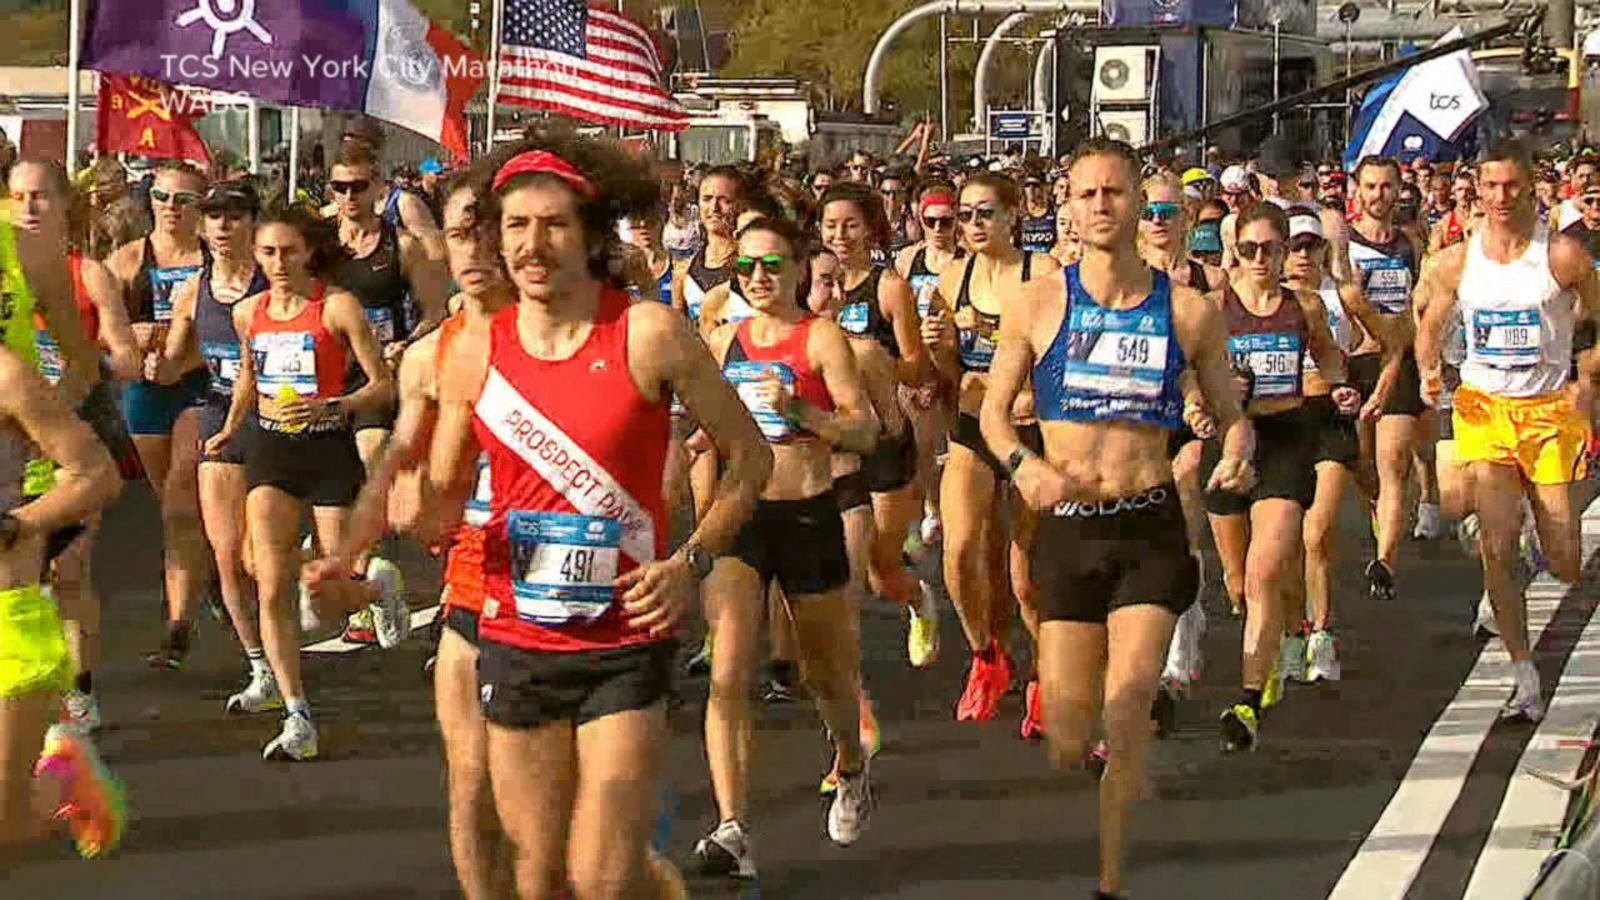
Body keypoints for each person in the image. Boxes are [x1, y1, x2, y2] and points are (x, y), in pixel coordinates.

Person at [426, 129, 771, 899]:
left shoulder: (648, 334)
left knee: (600, 879)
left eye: (551, 224)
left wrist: (691, 562)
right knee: (541, 874)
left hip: (626, 639)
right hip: (516, 638)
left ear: (588, 234)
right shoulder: (474, 350)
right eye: (515, 225)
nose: (531, 243)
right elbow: (441, 498)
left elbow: (752, 459)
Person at [981, 137, 1256, 900]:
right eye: (1087, 194)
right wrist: (1023, 466)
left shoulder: (1188, 310)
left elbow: (1233, 416)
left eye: (1116, 192)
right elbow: (994, 418)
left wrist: (1234, 452)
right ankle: (1119, 771)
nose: (1101, 206)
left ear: (1141, 205)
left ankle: (1111, 882)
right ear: (1066, 208)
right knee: (1070, 738)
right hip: (1068, 529)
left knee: (1129, 702)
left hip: (1149, 525)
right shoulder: (1039, 303)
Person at [305, 171, 517, 898]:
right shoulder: (431, 356)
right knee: (469, 781)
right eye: (463, 234)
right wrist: (348, 556)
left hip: (581, 605)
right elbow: (400, 464)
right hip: (475, 584)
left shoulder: (596, 334)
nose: (479, 249)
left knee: (577, 824)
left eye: (496, 231)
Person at [693, 215, 880, 876]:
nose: (758, 278)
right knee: (728, 670)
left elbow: (866, 432)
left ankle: (852, 766)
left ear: (798, 269)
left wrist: (805, 414)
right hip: (743, 516)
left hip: (807, 514)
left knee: (826, 674)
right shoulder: (724, 340)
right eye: (746, 267)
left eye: (772, 266)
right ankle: (732, 826)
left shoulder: (821, 338)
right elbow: (702, 427)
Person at [204, 208, 400, 760]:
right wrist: (228, 431)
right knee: (270, 582)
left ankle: (374, 590)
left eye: (288, 252)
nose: (278, 264)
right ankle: (296, 714)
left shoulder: (336, 307)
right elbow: (248, 375)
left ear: (309, 251)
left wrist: (336, 406)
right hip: (272, 450)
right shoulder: (249, 312)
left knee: (331, 590)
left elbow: (381, 385)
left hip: (328, 447)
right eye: (267, 253)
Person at [1416, 139, 1600, 723]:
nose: (1500, 197)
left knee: (1565, 557)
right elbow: (1431, 322)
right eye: (1490, 186)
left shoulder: (1563, 258)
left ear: (1529, 187)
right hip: (1484, 410)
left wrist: (1587, 379)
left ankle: (1528, 531)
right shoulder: (1455, 261)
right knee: (1496, 546)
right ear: (1477, 187)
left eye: (1512, 186)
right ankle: (1523, 673)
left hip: (1547, 414)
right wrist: (1427, 369)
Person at [1197, 203, 1361, 750]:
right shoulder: (1212, 307)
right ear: (1236, 251)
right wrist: (1205, 402)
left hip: (1288, 439)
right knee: (1238, 583)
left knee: (1265, 569)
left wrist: (1338, 387)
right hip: (1229, 444)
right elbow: (1185, 373)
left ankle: (1246, 699)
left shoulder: (1305, 307)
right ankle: (1270, 648)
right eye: (1250, 249)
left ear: (1287, 249)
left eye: (1272, 249)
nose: (1262, 260)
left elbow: (1331, 359)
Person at [0, 211, 125, 860]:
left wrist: (21, 521)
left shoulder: (8, 377)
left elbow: (100, 476)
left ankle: (62, 780)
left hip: (8, 619)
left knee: (8, 826)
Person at [6, 159, 141, 734]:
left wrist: (45, 402)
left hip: (53, 437)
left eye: (40, 195)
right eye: (19, 195)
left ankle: (72, 695)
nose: (30, 206)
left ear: (65, 202)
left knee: (64, 572)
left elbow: (95, 355)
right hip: (25, 418)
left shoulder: (72, 268)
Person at [924, 172, 1060, 729]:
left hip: (1031, 431)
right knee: (957, 553)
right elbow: (946, 375)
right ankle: (985, 656)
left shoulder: (1045, 274)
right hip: (974, 424)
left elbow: (1066, 354)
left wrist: (1034, 392)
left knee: (1026, 572)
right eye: (965, 215)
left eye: (985, 213)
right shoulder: (952, 277)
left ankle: (1045, 678)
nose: (973, 225)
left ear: (1012, 217)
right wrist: (938, 353)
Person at [156, 182, 271, 710]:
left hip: (277, 419)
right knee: (226, 554)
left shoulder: (276, 280)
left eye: (235, 216)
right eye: (215, 217)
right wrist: (152, 360)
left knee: (261, 556)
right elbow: (175, 362)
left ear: (253, 223)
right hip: (219, 412)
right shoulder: (192, 289)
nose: (224, 227)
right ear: (203, 227)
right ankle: (260, 666)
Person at [819, 182, 937, 668]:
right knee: (835, 564)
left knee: (880, 569)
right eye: (830, 225)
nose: (840, 235)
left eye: (850, 224)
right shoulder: (812, 281)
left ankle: (918, 600)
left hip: (887, 437)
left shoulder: (887, 286)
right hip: (835, 439)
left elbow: (918, 366)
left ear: (870, 227)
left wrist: (876, 361)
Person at [104, 161, 214, 667]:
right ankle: (204, 576)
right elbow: (105, 328)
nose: (172, 208)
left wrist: (182, 354)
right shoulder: (127, 260)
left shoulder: (214, 258)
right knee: (175, 512)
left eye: (185, 200)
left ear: (201, 207)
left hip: (202, 386)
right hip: (146, 393)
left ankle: (178, 628)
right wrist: (134, 337)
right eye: (164, 197)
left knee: (178, 503)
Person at [1282, 210, 1395, 684]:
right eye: (1295, 246)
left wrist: (1372, 391)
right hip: (1281, 424)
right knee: (1285, 541)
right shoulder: (1261, 301)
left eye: (1312, 246)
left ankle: (1321, 636)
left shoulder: (1342, 294)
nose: (1304, 255)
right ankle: (1291, 634)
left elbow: (1392, 343)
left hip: (1330, 418)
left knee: (1316, 531)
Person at [1345, 156, 1426, 601]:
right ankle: (1377, 505)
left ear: (1399, 191)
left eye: (1388, 187)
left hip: (1402, 362)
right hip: (1357, 363)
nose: (1379, 195)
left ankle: (1385, 562)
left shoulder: (1410, 244)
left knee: (1393, 462)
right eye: (1371, 186)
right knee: (1362, 462)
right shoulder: (1347, 246)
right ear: (1357, 190)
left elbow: (1421, 305)